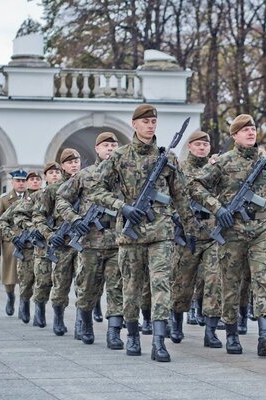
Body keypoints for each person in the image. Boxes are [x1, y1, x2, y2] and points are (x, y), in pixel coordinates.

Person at [91, 104, 195, 362]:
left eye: (154, 121)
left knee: (161, 285)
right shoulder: (119, 156)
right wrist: (122, 207)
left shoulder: (167, 158)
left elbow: (181, 195)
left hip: (161, 232)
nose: (151, 125)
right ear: (134, 124)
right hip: (130, 235)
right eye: (145, 121)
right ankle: (133, 335)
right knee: (132, 287)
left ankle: (159, 342)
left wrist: (191, 227)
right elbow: (96, 191)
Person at [189, 113, 266, 358]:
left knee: (265, 280)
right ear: (234, 135)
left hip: (262, 232)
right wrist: (218, 208)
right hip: (232, 233)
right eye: (245, 129)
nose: (251, 132)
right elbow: (195, 186)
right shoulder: (224, 162)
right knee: (231, 285)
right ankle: (232, 333)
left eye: (253, 128)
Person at [56, 132, 122, 348]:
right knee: (87, 287)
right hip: (90, 242)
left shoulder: (125, 172)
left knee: (117, 288)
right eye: (105, 145)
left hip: (119, 242)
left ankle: (114, 334)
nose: (110, 148)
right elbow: (62, 199)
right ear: (97, 149)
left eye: (114, 145)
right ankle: (85, 325)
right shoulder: (84, 175)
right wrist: (75, 219)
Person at [169, 130, 223, 348]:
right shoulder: (179, 170)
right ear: (190, 147)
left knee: (214, 281)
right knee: (182, 282)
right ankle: (176, 322)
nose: (202, 148)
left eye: (205, 145)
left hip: (212, 234)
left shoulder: (216, 169)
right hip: (186, 234)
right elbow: (170, 196)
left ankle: (210, 331)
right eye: (198, 144)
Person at [32, 149, 82, 336]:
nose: (74, 164)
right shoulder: (52, 190)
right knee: (61, 284)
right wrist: (50, 235)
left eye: (76, 161)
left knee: (83, 284)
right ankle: (59, 318)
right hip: (62, 243)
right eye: (70, 162)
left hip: (84, 242)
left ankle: (81, 323)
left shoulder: (86, 184)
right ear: (62, 167)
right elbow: (38, 216)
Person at [13, 162, 62, 328]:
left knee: (62, 282)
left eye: (57, 172)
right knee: (43, 281)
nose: (55, 175)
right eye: (51, 172)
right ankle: (38, 309)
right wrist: (32, 228)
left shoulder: (68, 191)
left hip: (63, 243)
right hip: (43, 246)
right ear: (46, 176)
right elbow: (18, 216)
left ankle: (59, 317)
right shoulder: (36, 196)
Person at [0, 170, 43, 323]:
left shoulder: (48, 197)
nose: (33, 182)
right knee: (21, 279)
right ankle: (15, 299)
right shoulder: (10, 200)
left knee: (42, 280)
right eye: (31, 179)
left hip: (42, 244)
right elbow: (0, 221)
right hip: (18, 244)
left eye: (38, 179)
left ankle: (39, 312)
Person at [0, 169, 27, 316]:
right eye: (18, 181)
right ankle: (10, 296)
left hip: (28, 241)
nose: (21, 184)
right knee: (9, 275)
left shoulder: (32, 196)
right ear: (12, 182)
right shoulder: (5, 199)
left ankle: (24, 303)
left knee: (28, 274)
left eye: (23, 181)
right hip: (10, 242)